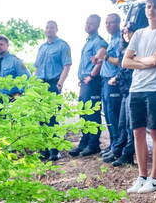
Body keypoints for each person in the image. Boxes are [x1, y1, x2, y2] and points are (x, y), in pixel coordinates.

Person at [122, 0, 156, 194]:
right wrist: (145, 61)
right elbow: (125, 62)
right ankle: (141, 176)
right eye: (148, 6)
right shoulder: (138, 34)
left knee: (155, 131)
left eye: (155, 7)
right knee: (137, 132)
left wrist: (139, 60)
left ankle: (155, 178)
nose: (151, 10)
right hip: (136, 88)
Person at [33, 21, 73, 160]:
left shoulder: (62, 45)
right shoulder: (42, 47)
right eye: (47, 27)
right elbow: (37, 67)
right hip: (40, 85)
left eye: (52, 27)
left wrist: (60, 83)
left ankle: (54, 150)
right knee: (41, 118)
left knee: (52, 118)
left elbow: (66, 66)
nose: (49, 30)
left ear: (56, 29)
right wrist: (33, 83)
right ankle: (43, 149)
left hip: (53, 83)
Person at [69, 14, 107, 157]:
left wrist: (91, 76)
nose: (88, 26)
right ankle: (84, 142)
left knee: (92, 113)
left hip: (92, 82)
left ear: (97, 25)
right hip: (85, 81)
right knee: (83, 112)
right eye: (86, 23)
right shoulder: (88, 41)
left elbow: (100, 60)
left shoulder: (99, 42)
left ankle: (93, 144)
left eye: (91, 23)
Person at [106, 25, 136, 167]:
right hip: (124, 90)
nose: (126, 34)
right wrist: (117, 78)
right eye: (124, 32)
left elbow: (129, 69)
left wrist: (117, 77)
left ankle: (127, 155)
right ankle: (118, 150)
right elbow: (122, 68)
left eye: (129, 31)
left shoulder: (136, 49)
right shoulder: (123, 49)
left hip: (132, 89)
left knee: (130, 125)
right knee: (122, 123)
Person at [99, 13, 123, 159]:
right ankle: (113, 143)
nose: (108, 25)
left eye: (111, 23)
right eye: (106, 23)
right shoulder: (111, 39)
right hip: (104, 80)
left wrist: (106, 57)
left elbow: (121, 61)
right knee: (108, 115)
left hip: (114, 81)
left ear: (118, 23)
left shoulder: (120, 39)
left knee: (114, 115)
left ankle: (117, 148)